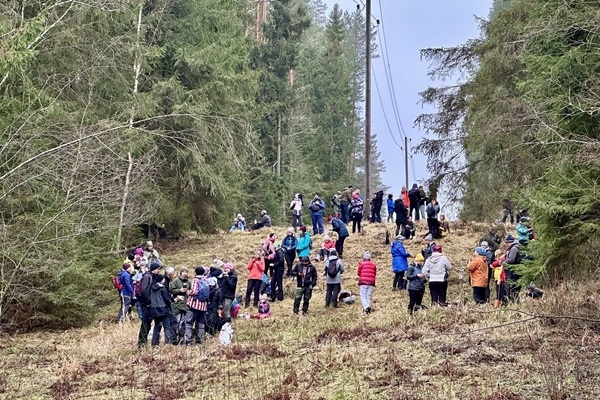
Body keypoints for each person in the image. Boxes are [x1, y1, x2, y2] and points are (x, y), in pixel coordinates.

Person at [137, 262, 161, 347]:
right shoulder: (148, 276)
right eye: (158, 269)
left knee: (147, 324)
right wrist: (149, 301)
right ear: (154, 269)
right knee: (145, 324)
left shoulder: (151, 276)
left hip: (149, 304)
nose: (159, 271)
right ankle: (141, 343)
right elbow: (143, 289)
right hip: (146, 305)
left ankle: (144, 343)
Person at [184, 267, 209, 345]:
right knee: (201, 323)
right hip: (203, 306)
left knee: (188, 322)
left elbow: (194, 291)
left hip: (194, 305)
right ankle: (201, 340)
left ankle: (188, 340)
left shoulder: (196, 280)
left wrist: (188, 292)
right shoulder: (206, 279)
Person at [150, 273, 173, 346]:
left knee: (157, 326)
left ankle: (154, 343)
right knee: (167, 327)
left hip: (154, 310)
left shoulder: (152, 288)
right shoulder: (163, 288)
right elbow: (166, 299)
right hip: (163, 309)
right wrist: (172, 300)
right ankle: (167, 343)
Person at [169, 268, 190, 345]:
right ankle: (174, 339)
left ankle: (182, 338)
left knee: (183, 323)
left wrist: (189, 292)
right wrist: (179, 290)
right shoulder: (175, 281)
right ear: (180, 273)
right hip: (176, 305)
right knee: (176, 322)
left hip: (185, 305)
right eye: (184, 272)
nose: (185, 273)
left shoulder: (188, 282)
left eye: (186, 272)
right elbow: (171, 290)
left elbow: (190, 290)